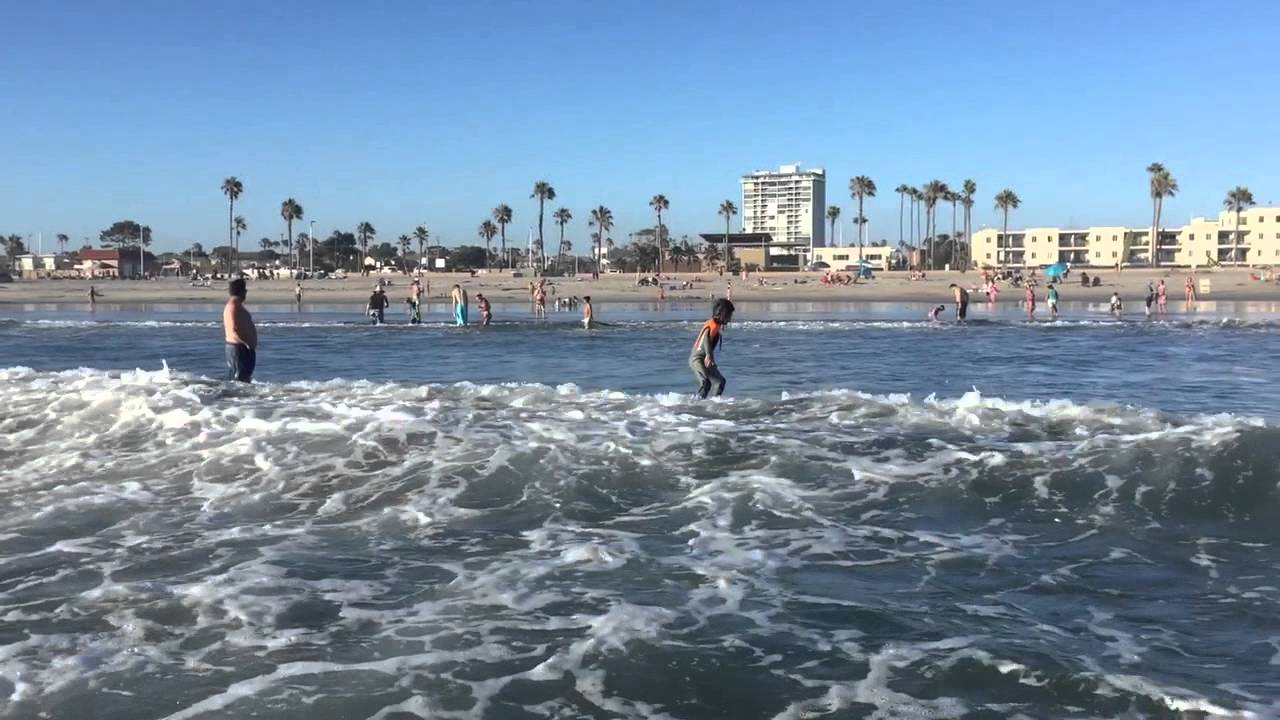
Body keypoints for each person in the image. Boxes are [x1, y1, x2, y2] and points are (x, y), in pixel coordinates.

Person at [690, 298, 734, 399]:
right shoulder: (712, 325)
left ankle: (713, 404)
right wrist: (709, 356)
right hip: (697, 359)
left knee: (720, 381)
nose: (731, 318)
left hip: (705, 359)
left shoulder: (716, 326)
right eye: (729, 315)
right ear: (723, 314)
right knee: (706, 383)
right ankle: (695, 405)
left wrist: (711, 358)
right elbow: (706, 337)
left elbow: (710, 342)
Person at [223, 278, 257, 383]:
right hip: (238, 349)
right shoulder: (232, 307)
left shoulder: (236, 306)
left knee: (243, 379)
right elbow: (233, 329)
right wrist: (246, 343)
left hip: (241, 349)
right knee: (239, 381)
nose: (246, 292)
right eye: (245, 290)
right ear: (241, 291)